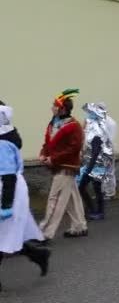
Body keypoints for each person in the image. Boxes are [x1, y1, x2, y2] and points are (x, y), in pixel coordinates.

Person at [0, 105, 51, 292]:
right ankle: (38, 255)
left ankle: (38, 255)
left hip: (9, 190)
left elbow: (7, 176)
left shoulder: (2, 144)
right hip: (9, 188)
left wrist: (5, 205)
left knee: (5, 235)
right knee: (8, 235)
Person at [38, 89, 88, 240]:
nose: (52, 108)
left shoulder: (74, 126)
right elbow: (48, 143)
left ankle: (45, 232)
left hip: (66, 167)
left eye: (55, 105)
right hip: (58, 165)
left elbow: (74, 148)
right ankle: (79, 226)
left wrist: (54, 159)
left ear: (63, 109)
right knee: (72, 197)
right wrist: (43, 154)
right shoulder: (52, 123)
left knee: (56, 199)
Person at [77, 103, 117, 220]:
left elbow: (95, 152)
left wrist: (89, 168)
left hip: (96, 164)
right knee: (85, 186)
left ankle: (99, 211)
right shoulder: (91, 131)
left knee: (96, 188)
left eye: (90, 115)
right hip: (90, 164)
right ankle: (93, 208)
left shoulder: (97, 132)